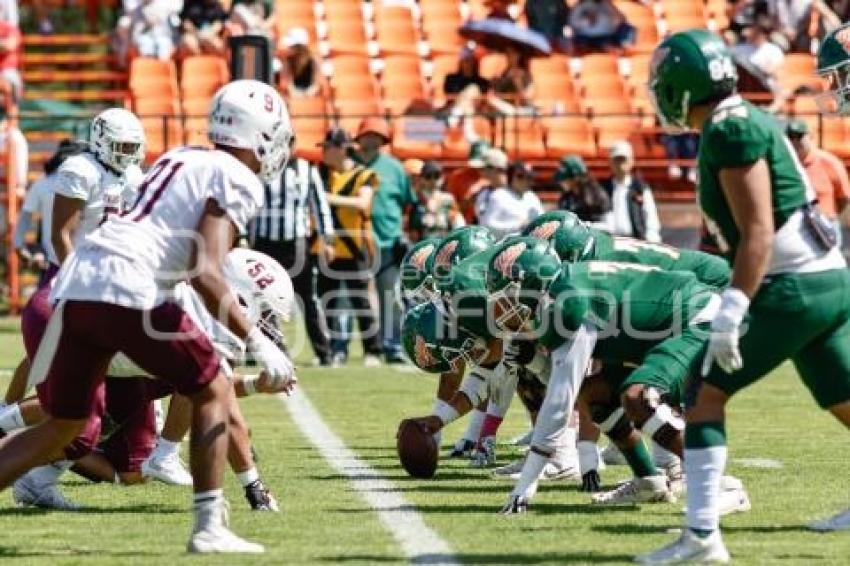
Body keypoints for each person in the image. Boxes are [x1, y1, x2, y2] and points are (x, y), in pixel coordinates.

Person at [0, 80, 296, 554]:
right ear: (261, 135)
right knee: (213, 388)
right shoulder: (238, 178)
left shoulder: (183, 155)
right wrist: (259, 344)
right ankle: (209, 526)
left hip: (78, 279)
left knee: (63, 424)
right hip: (126, 284)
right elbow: (205, 268)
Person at [638, 29, 850, 563]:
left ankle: (702, 537)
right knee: (843, 399)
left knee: (703, 396)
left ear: (681, 85)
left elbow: (758, 231)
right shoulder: (735, 121)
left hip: (792, 282)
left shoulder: (730, 127)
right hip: (826, 280)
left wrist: (735, 305)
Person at [251, 152, 335, 367]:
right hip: (264, 242)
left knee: (308, 298)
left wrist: (328, 239)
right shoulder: (260, 166)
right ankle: (275, 351)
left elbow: (319, 204)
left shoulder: (307, 169)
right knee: (262, 300)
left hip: (296, 243)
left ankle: (324, 352)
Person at [317, 127, 383, 367]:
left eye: (326, 148)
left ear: (340, 149)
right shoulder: (323, 174)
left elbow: (363, 203)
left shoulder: (363, 175)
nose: (323, 152)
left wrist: (326, 198)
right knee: (327, 302)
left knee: (361, 301)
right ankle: (333, 350)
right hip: (328, 248)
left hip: (354, 248)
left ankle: (372, 350)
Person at [353, 117, 418, 364]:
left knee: (390, 297)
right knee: (355, 298)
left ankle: (392, 346)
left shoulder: (394, 168)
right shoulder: (349, 165)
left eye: (377, 136)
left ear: (383, 140)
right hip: (354, 242)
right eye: (368, 135)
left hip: (388, 241)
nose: (372, 139)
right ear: (360, 138)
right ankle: (362, 347)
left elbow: (406, 202)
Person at [786, 119, 849, 247]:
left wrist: (829, 217)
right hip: (794, 228)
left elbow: (844, 198)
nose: (795, 141)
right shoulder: (783, 164)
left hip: (825, 225)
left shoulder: (829, 162)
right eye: (791, 137)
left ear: (810, 137)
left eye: (799, 136)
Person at [600, 140, 662, 243]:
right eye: (617, 160)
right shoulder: (603, 189)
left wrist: (652, 242)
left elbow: (651, 218)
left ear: (631, 161)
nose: (620, 164)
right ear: (610, 162)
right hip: (611, 243)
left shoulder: (640, 188)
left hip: (637, 242)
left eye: (623, 159)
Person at [478, 160, 543, 239]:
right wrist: (518, 227)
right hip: (504, 245)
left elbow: (541, 219)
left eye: (529, 177)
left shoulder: (532, 197)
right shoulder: (499, 196)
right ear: (511, 176)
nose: (526, 180)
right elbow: (487, 225)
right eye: (520, 176)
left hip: (530, 243)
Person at [407, 159, 465, 240]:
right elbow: (410, 229)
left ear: (442, 177)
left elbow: (458, 223)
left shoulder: (448, 199)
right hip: (423, 244)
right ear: (422, 178)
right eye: (428, 176)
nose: (432, 180)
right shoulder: (415, 199)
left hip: (444, 243)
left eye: (436, 176)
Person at [552, 154, 611, 223]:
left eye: (565, 179)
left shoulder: (597, 197)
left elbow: (606, 224)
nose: (561, 183)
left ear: (576, 177)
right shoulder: (566, 198)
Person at [444, 140, 491, 223]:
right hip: (466, 225)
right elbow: (450, 210)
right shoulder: (458, 177)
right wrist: (468, 201)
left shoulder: (495, 178)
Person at [569, 0, 635, 52]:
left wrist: (610, 22)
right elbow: (572, 22)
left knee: (628, 29)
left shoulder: (607, 4)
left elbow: (620, 19)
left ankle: (624, 50)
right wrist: (587, 22)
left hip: (605, 36)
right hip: (586, 37)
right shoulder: (581, 5)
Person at [487, 47, 535, 116]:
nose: (508, 56)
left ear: (518, 56)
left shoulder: (524, 73)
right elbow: (498, 91)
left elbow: (526, 99)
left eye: (511, 53)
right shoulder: (506, 72)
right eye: (507, 54)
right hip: (507, 105)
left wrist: (518, 83)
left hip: (520, 109)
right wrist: (495, 82)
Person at [278, 27, 321, 97]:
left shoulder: (313, 59)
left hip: (309, 95)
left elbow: (318, 81)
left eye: (292, 46)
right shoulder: (287, 59)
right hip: (293, 94)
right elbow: (284, 82)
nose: (289, 48)